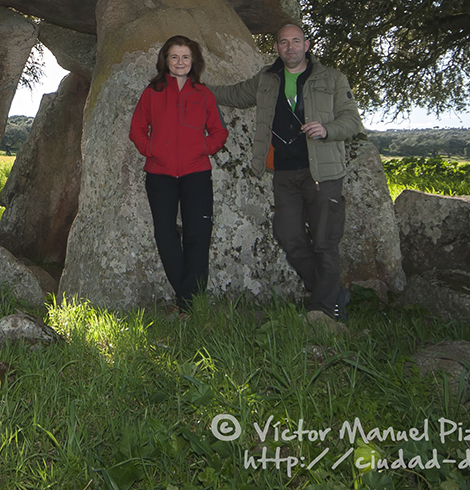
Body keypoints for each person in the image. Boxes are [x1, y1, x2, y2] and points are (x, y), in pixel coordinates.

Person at [212, 23, 363, 328]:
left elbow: (352, 120)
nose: (290, 47)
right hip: (284, 173)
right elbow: (235, 94)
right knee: (288, 235)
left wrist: (327, 129)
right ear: (277, 48)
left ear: (307, 45)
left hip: (322, 172)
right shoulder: (267, 79)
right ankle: (333, 294)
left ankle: (323, 309)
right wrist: (196, 88)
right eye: (284, 42)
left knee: (325, 241)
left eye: (296, 41)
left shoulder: (331, 78)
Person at [129, 35, 228, 314]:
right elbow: (136, 129)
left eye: (185, 57)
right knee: (165, 234)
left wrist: (202, 148)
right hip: (159, 174)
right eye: (174, 57)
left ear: (193, 61)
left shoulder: (204, 94)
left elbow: (220, 132)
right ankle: (187, 299)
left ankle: (187, 303)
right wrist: (151, 149)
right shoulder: (153, 92)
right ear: (165, 60)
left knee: (198, 233)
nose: (180, 62)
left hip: (196, 173)